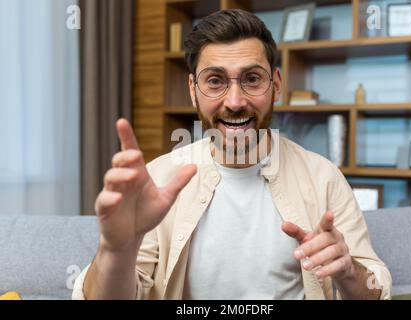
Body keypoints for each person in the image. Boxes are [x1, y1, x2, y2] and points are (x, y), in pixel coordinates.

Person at [73, 9, 391, 300]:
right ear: (192, 89)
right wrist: (115, 250)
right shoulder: (158, 180)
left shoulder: (323, 177)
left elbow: (376, 291)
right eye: (215, 81)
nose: (235, 101)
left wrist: (348, 271)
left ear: (276, 84)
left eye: (252, 79)